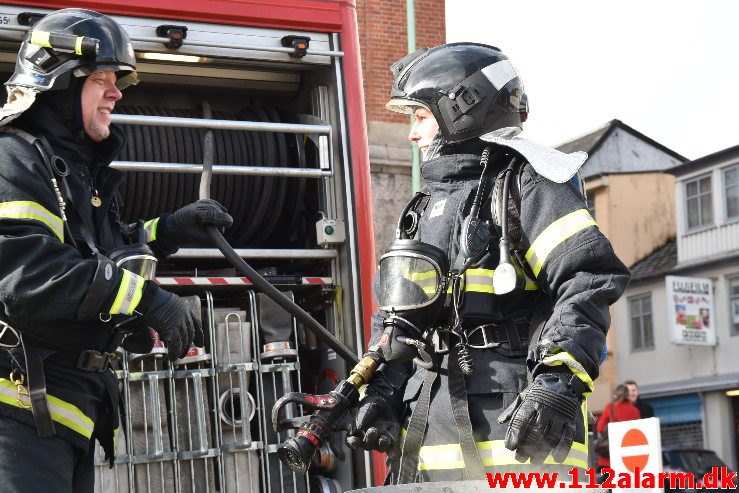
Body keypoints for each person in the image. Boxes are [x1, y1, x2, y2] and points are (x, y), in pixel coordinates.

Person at [346, 42, 631, 483]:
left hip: (522, 426)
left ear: (461, 110)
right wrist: (383, 391)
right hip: (429, 427)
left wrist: (558, 380)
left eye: (419, 117)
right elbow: (398, 322)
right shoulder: (424, 206)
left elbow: (587, 276)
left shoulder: (531, 184)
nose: (412, 134)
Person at [0, 9, 231, 492]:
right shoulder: (12, 161)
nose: (116, 93)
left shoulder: (73, 169)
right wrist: (148, 301)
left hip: (64, 411)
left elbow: (100, 254)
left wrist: (166, 231)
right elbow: (28, 272)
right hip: (15, 416)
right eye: (101, 78)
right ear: (60, 84)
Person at [596, 384, 641, 469]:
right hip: (628, 457)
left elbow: (600, 428)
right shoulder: (635, 411)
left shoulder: (610, 408)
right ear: (627, 395)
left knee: (607, 481)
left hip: (610, 458)